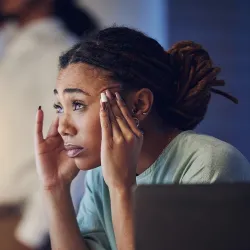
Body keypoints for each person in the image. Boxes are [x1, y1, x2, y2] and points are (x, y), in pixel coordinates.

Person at [34, 26, 250, 250]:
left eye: (77, 104)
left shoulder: (211, 165)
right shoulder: (100, 176)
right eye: (59, 107)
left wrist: (121, 188)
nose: (63, 128)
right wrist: (55, 188)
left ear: (139, 105)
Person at [0, 0, 97, 249]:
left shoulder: (61, 54)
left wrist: (30, 235)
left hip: (19, 226)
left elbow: (74, 149)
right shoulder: (8, 47)